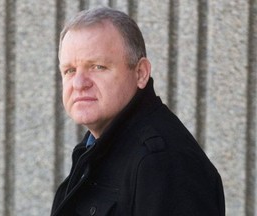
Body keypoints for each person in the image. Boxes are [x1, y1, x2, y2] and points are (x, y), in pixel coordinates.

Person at [50, 7, 225, 216]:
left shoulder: (162, 161)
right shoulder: (97, 146)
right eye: (69, 70)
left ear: (141, 73)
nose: (79, 83)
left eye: (97, 67)